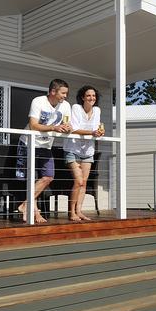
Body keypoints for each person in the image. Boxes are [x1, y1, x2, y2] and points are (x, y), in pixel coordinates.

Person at [17, 79, 72, 223]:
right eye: (63, 93)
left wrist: (68, 128)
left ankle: (25, 205)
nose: (65, 96)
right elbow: (33, 125)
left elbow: (67, 124)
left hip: (46, 146)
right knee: (31, 180)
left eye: (66, 93)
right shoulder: (38, 101)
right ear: (53, 91)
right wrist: (54, 128)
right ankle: (34, 214)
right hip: (29, 143)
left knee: (48, 177)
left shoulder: (65, 106)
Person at [64, 85, 104, 222]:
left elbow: (96, 128)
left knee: (84, 183)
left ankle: (79, 211)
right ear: (82, 97)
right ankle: (71, 213)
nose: (91, 98)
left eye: (93, 96)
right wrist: (92, 132)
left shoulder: (97, 110)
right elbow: (74, 129)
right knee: (78, 181)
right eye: (88, 95)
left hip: (88, 151)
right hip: (73, 149)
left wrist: (99, 132)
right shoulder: (76, 108)